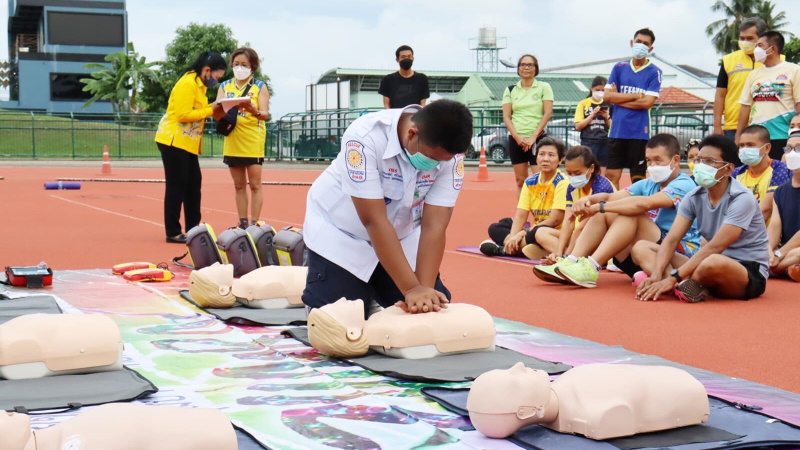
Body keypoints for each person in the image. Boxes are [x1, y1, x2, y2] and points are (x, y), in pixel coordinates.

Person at [301, 99, 473, 316]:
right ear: (412, 134)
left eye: (441, 161)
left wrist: (424, 292)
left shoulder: (451, 156)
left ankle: (374, 290)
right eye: (430, 158)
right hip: (344, 235)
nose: (436, 165)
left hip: (401, 238)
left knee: (433, 315)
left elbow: (434, 226)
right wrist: (411, 289)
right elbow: (374, 220)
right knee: (339, 327)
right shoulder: (365, 138)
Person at [533, 134, 700, 288]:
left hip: (679, 250)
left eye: (658, 160)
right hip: (648, 247)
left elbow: (644, 204)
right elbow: (613, 197)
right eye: (649, 161)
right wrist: (589, 200)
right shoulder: (650, 183)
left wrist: (599, 207)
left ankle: (591, 266)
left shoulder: (684, 184)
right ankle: (571, 261)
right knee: (608, 211)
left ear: (675, 160)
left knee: (628, 214)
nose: (652, 166)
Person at [634, 135, 769, 302]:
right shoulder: (693, 197)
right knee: (641, 247)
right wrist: (655, 275)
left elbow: (716, 246)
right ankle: (679, 285)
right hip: (704, 263)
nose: (701, 166)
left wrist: (672, 277)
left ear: (728, 169)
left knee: (712, 262)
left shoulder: (742, 198)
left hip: (746, 271)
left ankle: (678, 283)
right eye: (699, 160)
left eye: (710, 161)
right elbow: (671, 239)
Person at [154, 51, 242, 243]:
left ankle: (193, 229)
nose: (216, 81)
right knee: (177, 185)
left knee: (193, 185)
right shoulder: (187, 83)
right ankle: (173, 231)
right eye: (216, 77)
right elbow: (183, 115)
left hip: (187, 142)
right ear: (207, 70)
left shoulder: (198, 85)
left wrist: (220, 105)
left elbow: (198, 110)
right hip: (173, 140)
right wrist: (212, 110)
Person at [480, 138, 566, 259]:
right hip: (535, 230)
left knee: (536, 233)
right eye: (542, 154)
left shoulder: (562, 182)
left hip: (553, 233)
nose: (545, 159)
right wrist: (514, 237)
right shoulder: (530, 181)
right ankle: (519, 247)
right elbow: (521, 214)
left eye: (551, 155)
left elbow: (554, 220)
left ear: (560, 160)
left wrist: (523, 233)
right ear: (536, 158)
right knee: (496, 228)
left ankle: (503, 250)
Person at [216, 47, 271, 229]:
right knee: (239, 185)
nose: (239, 68)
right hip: (233, 140)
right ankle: (243, 222)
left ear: (252, 67)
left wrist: (252, 110)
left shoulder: (259, 86)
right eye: (236, 64)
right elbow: (216, 111)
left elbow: (264, 114)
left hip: (252, 140)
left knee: (255, 185)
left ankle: (255, 224)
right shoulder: (224, 86)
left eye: (244, 65)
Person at [603, 28, 663, 188]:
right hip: (616, 131)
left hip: (639, 133)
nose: (641, 46)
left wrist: (618, 98)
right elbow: (607, 96)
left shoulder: (655, 72)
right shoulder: (619, 67)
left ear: (650, 49)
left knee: (638, 178)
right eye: (638, 42)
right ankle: (612, 210)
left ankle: (636, 210)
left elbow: (647, 103)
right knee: (611, 176)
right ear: (631, 43)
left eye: (645, 44)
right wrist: (636, 96)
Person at [540, 146, 615, 264]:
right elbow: (568, 221)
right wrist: (560, 252)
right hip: (578, 236)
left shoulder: (601, 187)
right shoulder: (571, 187)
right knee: (541, 233)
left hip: (601, 237)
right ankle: (564, 254)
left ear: (591, 168)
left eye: (577, 173)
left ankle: (569, 257)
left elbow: (583, 227)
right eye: (569, 173)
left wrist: (566, 258)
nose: (573, 177)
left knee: (580, 234)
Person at [736, 31, 800, 161]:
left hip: (782, 135)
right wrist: (739, 135)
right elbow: (745, 106)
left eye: (760, 45)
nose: (756, 49)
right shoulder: (754, 74)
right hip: (757, 138)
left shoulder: (794, 70)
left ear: (773, 49)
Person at [503, 54, 554, 193]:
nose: (526, 67)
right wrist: (517, 137)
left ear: (536, 68)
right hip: (516, 139)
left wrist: (533, 137)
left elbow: (547, 113)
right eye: (523, 64)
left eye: (530, 65)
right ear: (518, 68)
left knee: (541, 179)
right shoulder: (510, 89)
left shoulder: (544, 87)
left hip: (538, 139)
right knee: (520, 180)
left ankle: (542, 214)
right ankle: (522, 214)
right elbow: (506, 116)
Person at [713, 17, 768, 141]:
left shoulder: (776, 60)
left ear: (762, 38)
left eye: (749, 38)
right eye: (742, 38)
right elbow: (720, 95)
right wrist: (717, 126)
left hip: (767, 125)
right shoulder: (728, 60)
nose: (744, 42)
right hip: (733, 126)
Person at [733, 124, 790, 224]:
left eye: (750, 145)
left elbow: (765, 210)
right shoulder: (736, 173)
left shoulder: (780, 169)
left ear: (767, 148)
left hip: (768, 236)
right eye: (741, 145)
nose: (744, 149)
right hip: (738, 232)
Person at [767, 131, 800, 281]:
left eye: (798, 148)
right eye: (788, 149)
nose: (792, 154)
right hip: (788, 253)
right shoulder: (781, 190)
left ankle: (772, 270)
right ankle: (786, 268)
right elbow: (774, 226)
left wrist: (778, 254)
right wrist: (768, 251)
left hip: (790, 252)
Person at [574, 76, 611, 175]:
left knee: (602, 173)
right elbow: (578, 126)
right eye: (597, 90)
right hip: (588, 141)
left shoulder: (610, 104)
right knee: (588, 171)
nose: (600, 92)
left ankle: (601, 189)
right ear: (591, 88)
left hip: (604, 141)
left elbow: (614, 127)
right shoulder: (583, 104)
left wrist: (606, 117)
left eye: (603, 90)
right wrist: (592, 115)